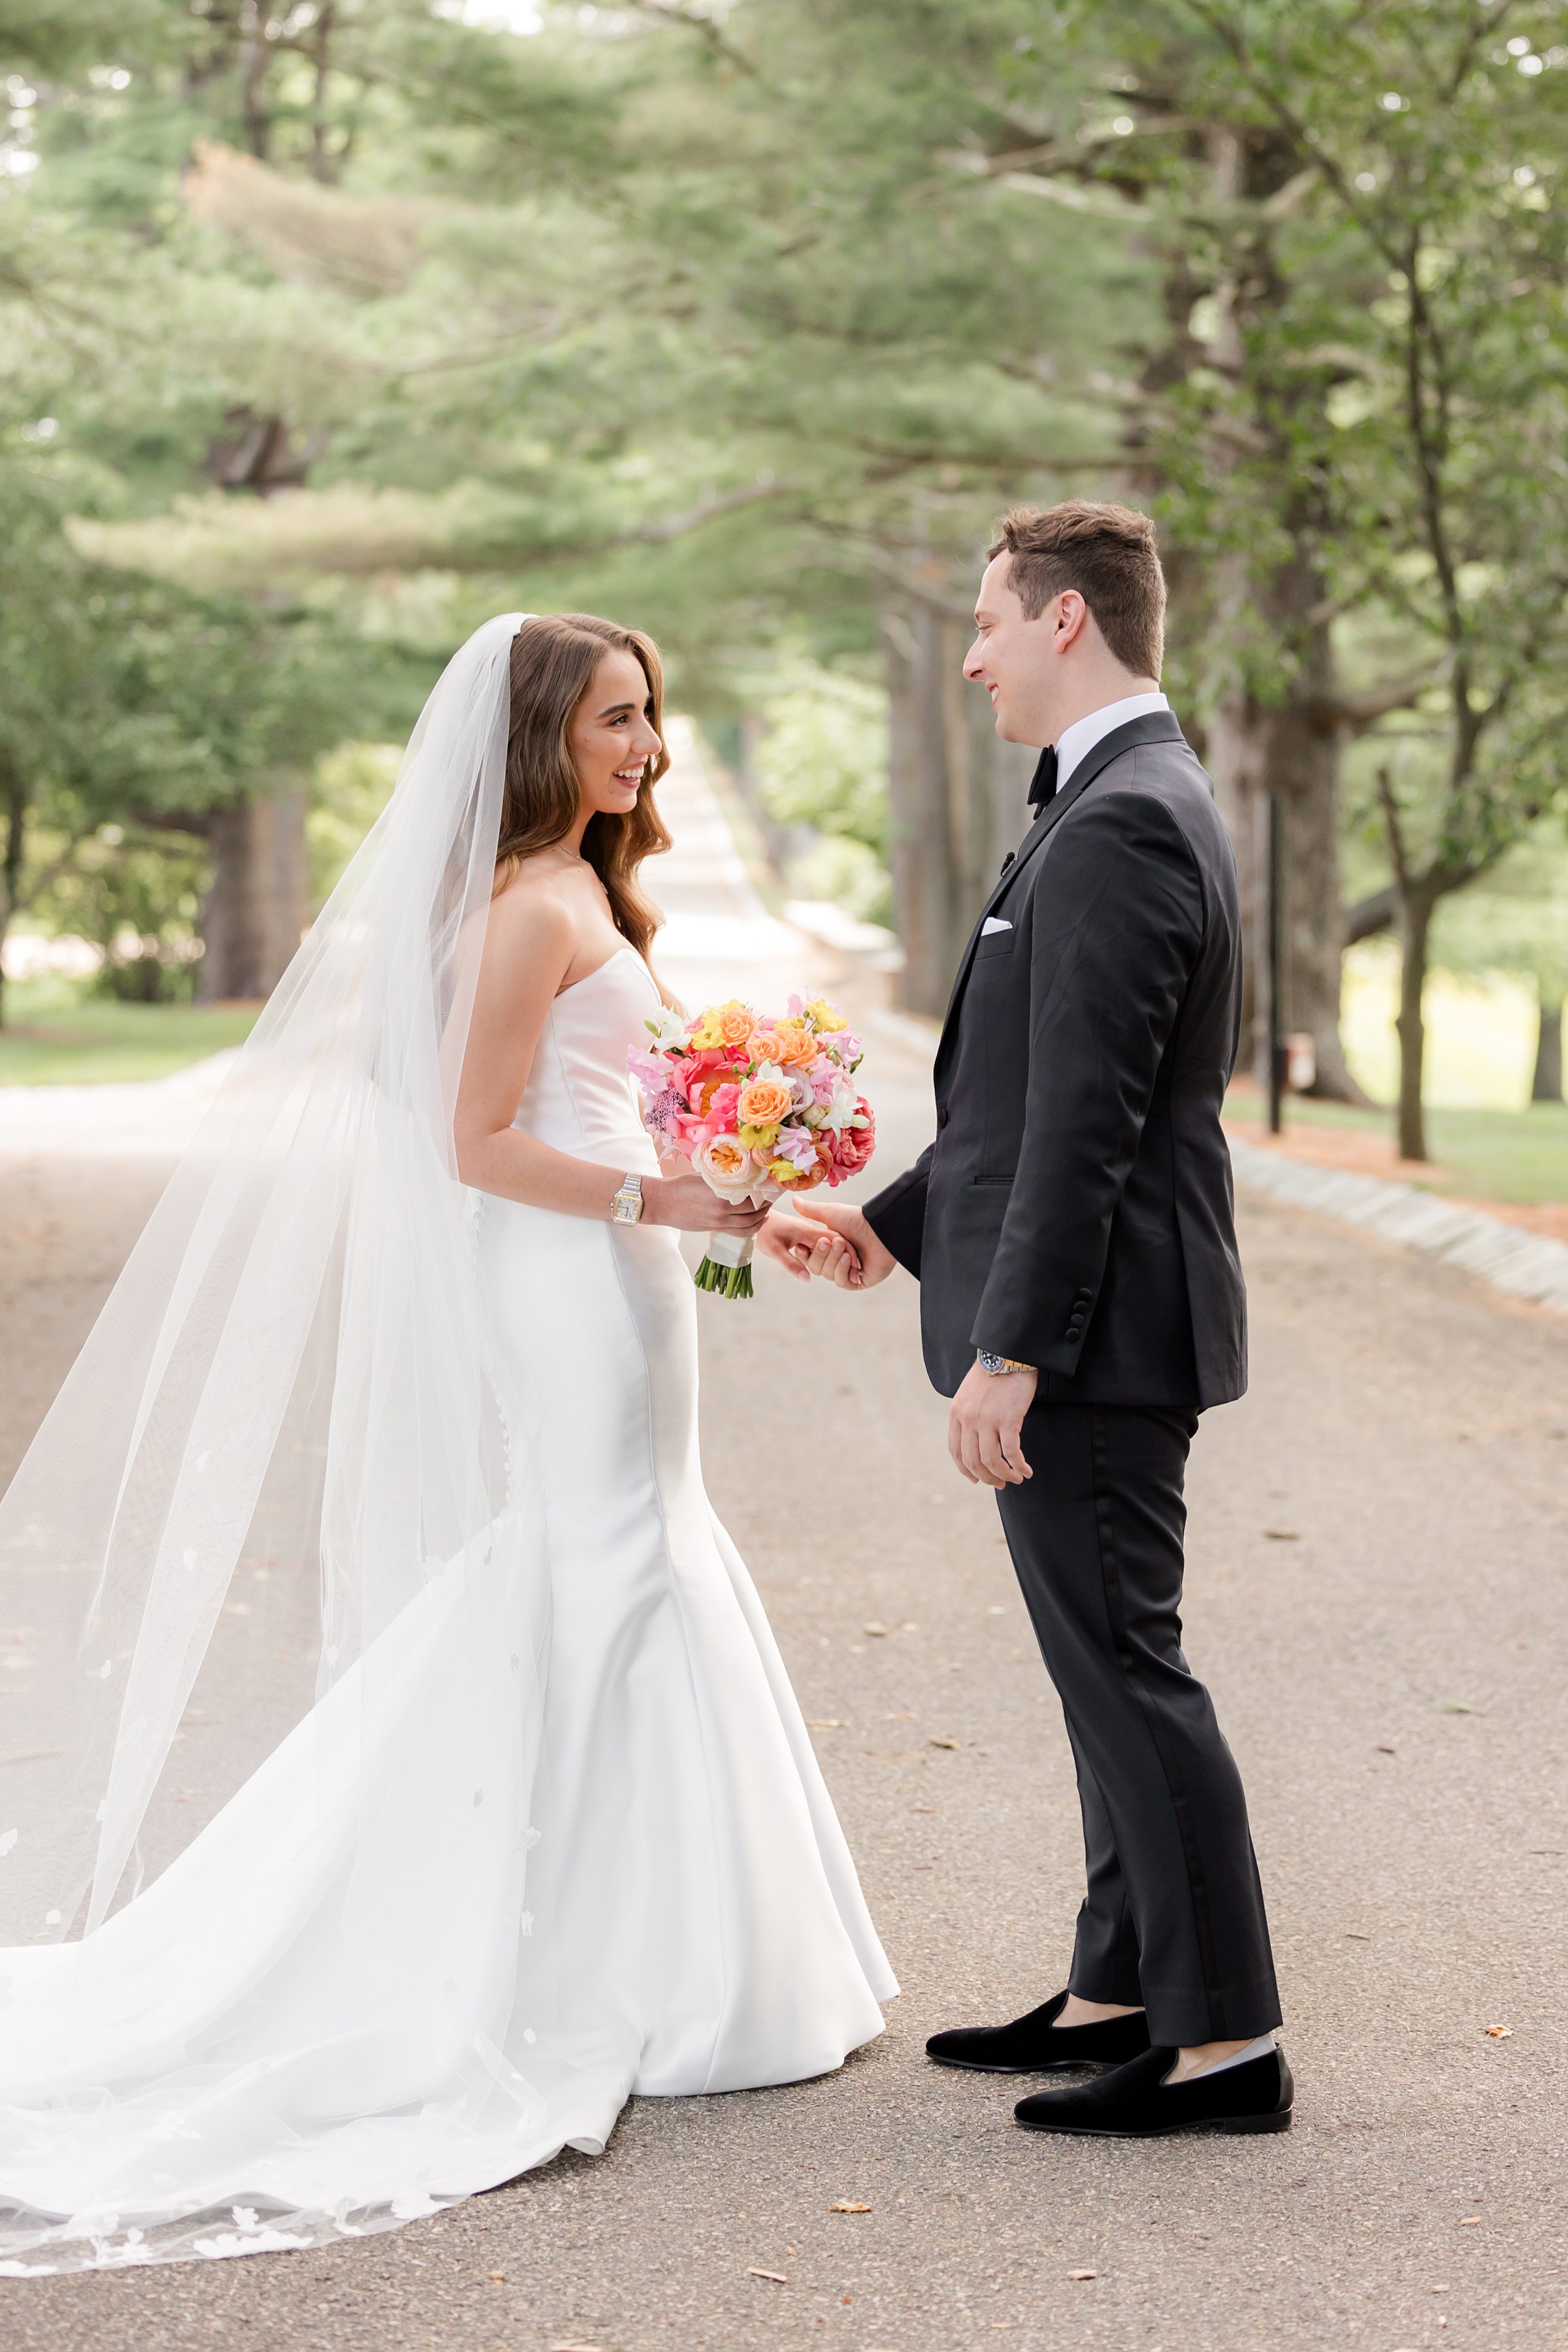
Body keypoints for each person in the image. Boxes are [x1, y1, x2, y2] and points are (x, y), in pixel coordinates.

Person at [0, 612, 894, 2276]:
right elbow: (475, 1140)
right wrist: (665, 1192)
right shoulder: (524, 910)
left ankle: (661, 1944)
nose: (645, 747)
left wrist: (736, 1198)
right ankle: (609, 1965)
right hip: (566, 1274)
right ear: (542, 735)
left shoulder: (585, 892)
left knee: (633, 1544)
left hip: (630, 1268)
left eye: (652, 715)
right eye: (615, 719)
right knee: (605, 1551)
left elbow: (619, 1108)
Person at [762, 502, 1290, 2139]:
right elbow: (1017, 1107)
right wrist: (891, 1226)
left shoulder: (1131, 816)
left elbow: (1093, 1126)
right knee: (1098, 1672)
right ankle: (1121, 1989)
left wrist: (1014, 1348)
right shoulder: (1107, 802)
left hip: (1099, 1335)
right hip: (1091, 1317)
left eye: (990, 622)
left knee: (1129, 1667)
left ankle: (1226, 2052)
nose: (974, 653)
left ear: (1068, 620)